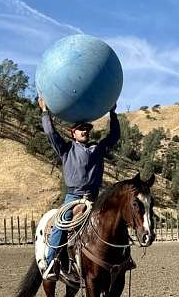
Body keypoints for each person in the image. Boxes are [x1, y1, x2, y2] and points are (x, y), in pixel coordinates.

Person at [39, 96, 120, 281]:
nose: (84, 131)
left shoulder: (97, 149)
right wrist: (45, 113)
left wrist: (113, 113)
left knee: (113, 221)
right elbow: (51, 135)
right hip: (72, 197)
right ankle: (51, 263)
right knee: (61, 223)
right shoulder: (66, 149)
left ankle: (121, 258)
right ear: (73, 133)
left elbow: (114, 136)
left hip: (93, 197)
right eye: (80, 129)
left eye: (86, 129)